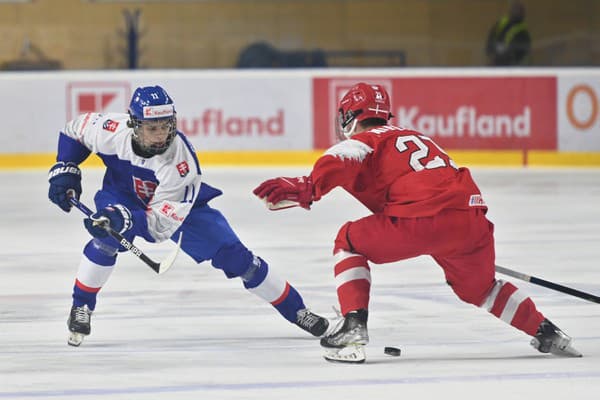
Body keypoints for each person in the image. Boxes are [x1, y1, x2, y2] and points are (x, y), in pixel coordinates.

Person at [253, 82, 582, 363]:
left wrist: (309, 187)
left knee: (347, 241)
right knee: (480, 289)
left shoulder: (367, 140)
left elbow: (342, 156)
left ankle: (353, 329)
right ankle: (547, 332)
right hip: (470, 220)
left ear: (349, 117)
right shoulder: (415, 135)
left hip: (422, 221)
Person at [48, 85, 330, 347]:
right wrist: (66, 167)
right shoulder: (110, 129)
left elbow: (159, 227)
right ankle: (82, 305)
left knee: (239, 260)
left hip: (180, 210)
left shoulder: (180, 163)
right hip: (122, 196)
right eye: (152, 128)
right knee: (106, 240)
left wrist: (126, 218)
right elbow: (74, 131)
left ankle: (297, 310)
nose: (161, 135)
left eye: (166, 126)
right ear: (133, 124)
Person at [485, 0, 531, 66]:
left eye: (519, 10)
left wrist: (508, 56)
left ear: (523, 14)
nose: (516, 11)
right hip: (495, 61)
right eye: (514, 9)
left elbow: (521, 52)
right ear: (510, 11)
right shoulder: (501, 23)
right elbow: (491, 38)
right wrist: (490, 52)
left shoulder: (523, 32)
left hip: (510, 66)